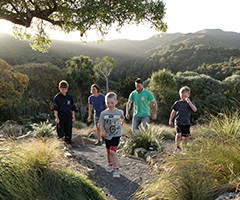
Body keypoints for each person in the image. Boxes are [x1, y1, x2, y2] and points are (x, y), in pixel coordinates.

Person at [99, 92, 124, 178]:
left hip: (116, 134)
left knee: (113, 152)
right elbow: (101, 125)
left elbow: (122, 120)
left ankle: (116, 170)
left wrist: (121, 124)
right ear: (105, 103)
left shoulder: (119, 112)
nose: (110, 105)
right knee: (108, 152)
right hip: (107, 135)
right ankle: (110, 164)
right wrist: (103, 132)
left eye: (112, 103)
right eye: (108, 103)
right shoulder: (103, 114)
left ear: (116, 102)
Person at [169, 86, 197, 154]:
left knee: (185, 138)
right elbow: (173, 112)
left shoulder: (190, 103)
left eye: (185, 96)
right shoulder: (177, 103)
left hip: (186, 123)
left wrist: (189, 102)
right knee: (178, 134)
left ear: (188, 95)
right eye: (181, 96)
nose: (183, 97)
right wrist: (170, 119)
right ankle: (177, 147)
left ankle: (183, 149)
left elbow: (195, 110)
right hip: (178, 122)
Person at [51, 80, 77, 145]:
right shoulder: (57, 97)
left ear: (67, 88)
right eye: (62, 89)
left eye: (65, 89)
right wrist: (56, 118)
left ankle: (68, 144)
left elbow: (73, 107)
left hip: (68, 114)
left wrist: (73, 116)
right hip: (60, 115)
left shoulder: (70, 97)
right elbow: (55, 109)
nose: (63, 90)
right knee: (60, 130)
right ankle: (61, 144)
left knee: (68, 129)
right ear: (59, 88)